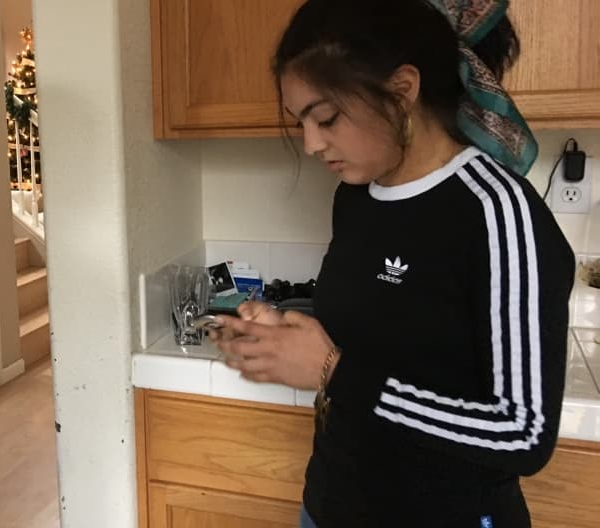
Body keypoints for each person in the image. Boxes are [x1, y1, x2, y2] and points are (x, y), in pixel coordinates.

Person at [209, 1, 574, 526]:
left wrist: (332, 371)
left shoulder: (496, 211)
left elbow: (522, 433)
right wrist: (286, 331)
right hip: (331, 504)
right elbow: (384, 326)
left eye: (327, 117)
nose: (312, 144)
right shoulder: (357, 196)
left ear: (402, 91)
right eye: (301, 122)